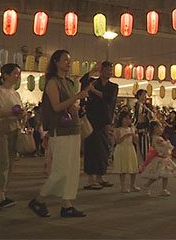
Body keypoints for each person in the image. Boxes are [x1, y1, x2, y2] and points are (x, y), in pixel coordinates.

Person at [29, 49, 92, 218]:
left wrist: (76, 104)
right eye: (65, 60)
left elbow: (69, 105)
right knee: (60, 170)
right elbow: (57, 106)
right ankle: (39, 199)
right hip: (60, 129)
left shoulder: (69, 82)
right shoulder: (52, 82)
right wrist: (77, 96)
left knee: (72, 169)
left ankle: (67, 204)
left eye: (69, 60)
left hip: (73, 127)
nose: (68, 62)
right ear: (55, 62)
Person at [80, 61, 118, 190]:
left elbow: (108, 99)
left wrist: (94, 91)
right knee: (91, 149)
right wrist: (92, 71)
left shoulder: (113, 86)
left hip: (105, 121)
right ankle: (90, 179)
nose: (110, 72)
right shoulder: (93, 81)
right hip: (92, 120)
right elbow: (82, 81)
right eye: (107, 70)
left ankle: (100, 177)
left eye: (110, 70)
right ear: (101, 71)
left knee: (103, 150)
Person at [0, 63, 25, 209]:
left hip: (14, 128)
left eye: (19, 74)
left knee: (11, 161)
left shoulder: (15, 93)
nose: (17, 77)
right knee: (2, 161)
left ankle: (3, 192)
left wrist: (22, 115)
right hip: (1, 128)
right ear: (5, 75)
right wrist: (13, 113)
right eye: (15, 73)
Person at [141, 122, 176, 196]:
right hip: (160, 160)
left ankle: (163, 189)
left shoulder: (158, 138)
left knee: (166, 174)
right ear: (155, 129)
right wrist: (168, 143)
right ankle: (146, 185)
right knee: (156, 175)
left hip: (164, 159)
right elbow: (166, 146)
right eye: (160, 127)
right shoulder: (157, 138)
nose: (162, 129)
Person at [112, 110, 140, 193]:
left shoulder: (131, 128)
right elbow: (117, 141)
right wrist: (126, 136)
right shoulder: (118, 129)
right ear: (121, 119)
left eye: (129, 119)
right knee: (123, 168)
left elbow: (136, 141)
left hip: (130, 148)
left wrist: (135, 136)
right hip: (121, 149)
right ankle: (123, 186)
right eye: (125, 118)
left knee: (133, 167)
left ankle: (133, 185)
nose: (128, 120)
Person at [133, 90, 154, 161]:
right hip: (141, 129)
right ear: (139, 96)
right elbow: (139, 118)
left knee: (144, 147)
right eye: (144, 95)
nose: (145, 97)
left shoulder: (143, 105)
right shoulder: (139, 105)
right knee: (143, 148)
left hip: (144, 128)